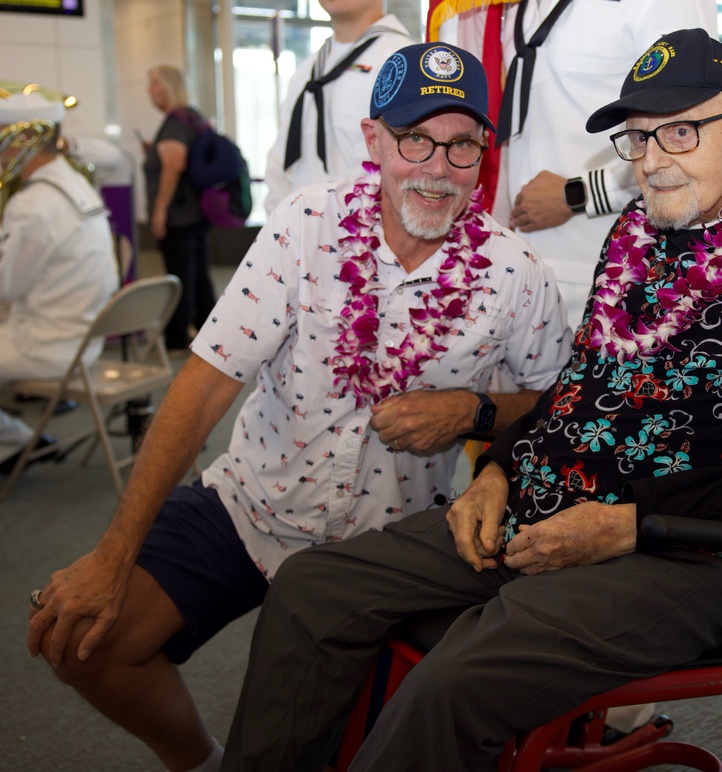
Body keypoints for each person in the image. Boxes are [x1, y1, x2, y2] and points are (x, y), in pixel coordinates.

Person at [219, 28, 722, 771]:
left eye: (680, 132)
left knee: (457, 679)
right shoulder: (637, 231)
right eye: (639, 137)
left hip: (691, 554)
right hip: (546, 505)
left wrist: (632, 525)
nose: (653, 159)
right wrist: (497, 469)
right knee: (313, 587)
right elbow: (577, 390)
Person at [26, 42, 570, 772]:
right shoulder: (303, 225)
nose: (438, 168)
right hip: (252, 503)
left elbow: (556, 404)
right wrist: (113, 552)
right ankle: (199, 761)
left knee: (353, 751)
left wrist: (472, 409)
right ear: (374, 139)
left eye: (462, 145)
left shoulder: (516, 272)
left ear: (484, 152)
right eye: (416, 140)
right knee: (81, 637)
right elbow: (204, 386)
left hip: (392, 541)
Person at [491, 0, 718, 327]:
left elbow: (693, 131)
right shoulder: (511, 7)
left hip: (607, 276)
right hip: (511, 273)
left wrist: (579, 194)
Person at [0, 92, 118, 474]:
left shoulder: (33, 203)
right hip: (84, 335)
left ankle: (14, 442)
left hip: (47, 344)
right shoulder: (76, 184)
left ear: (23, 140)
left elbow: (7, 287)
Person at [263, 0, 413, 214]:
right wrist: (279, 235)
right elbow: (280, 168)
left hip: (367, 238)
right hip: (300, 235)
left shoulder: (402, 62)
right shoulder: (307, 70)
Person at [143, 64, 217, 350]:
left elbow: (174, 165)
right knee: (198, 274)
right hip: (198, 211)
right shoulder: (193, 118)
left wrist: (159, 208)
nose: (150, 91)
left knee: (179, 276)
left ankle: (177, 335)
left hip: (179, 215)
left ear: (169, 86)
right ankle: (208, 329)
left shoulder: (174, 122)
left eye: (154, 84)